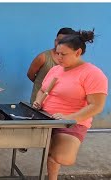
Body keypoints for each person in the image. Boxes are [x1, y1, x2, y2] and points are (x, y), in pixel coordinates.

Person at [32, 29, 108, 180]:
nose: (58, 58)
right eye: (57, 53)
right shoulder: (55, 69)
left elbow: (96, 106)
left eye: (63, 54)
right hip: (45, 116)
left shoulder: (93, 73)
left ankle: (53, 148)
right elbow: (42, 90)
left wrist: (69, 118)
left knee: (61, 157)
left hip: (72, 122)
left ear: (78, 52)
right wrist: (38, 101)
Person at [27, 27, 76, 104]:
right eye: (58, 40)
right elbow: (30, 74)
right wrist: (43, 85)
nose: (59, 44)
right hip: (37, 102)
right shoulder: (43, 57)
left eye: (64, 42)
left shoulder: (73, 62)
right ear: (55, 40)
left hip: (58, 106)